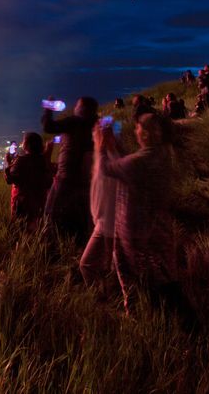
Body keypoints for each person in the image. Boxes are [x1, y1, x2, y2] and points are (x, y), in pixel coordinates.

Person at [97, 112, 181, 314]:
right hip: (158, 226)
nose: (135, 131)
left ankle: (165, 319)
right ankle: (148, 311)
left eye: (138, 128)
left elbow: (106, 169)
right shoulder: (163, 153)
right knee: (161, 273)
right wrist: (115, 143)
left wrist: (101, 145)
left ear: (145, 134)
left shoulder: (137, 164)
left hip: (135, 230)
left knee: (147, 280)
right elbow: (129, 161)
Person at [42, 96, 99, 246]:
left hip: (66, 176)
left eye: (77, 105)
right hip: (87, 179)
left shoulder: (74, 121)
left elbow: (48, 127)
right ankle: (79, 245)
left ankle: (52, 247)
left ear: (82, 108)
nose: (74, 108)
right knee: (80, 215)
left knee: (51, 211)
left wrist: (48, 107)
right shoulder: (96, 125)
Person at [80, 117, 119, 289]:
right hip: (105, 223)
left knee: (86, 264)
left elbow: (108, 197)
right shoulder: (109, 157)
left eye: (96, 133)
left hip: (106, 225)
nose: (93, 136)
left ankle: (101, 299)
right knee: (109, 264)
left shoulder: (106, 161)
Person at [4, 131, 52, 231]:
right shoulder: (43, 160)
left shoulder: (21, 161)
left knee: (21, 229)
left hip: (23, 203)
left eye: (24, 141)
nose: (22, 143)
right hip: (40, 200)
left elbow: (10, 180)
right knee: (37, 227)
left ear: (28, 145)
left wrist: (8, 163)